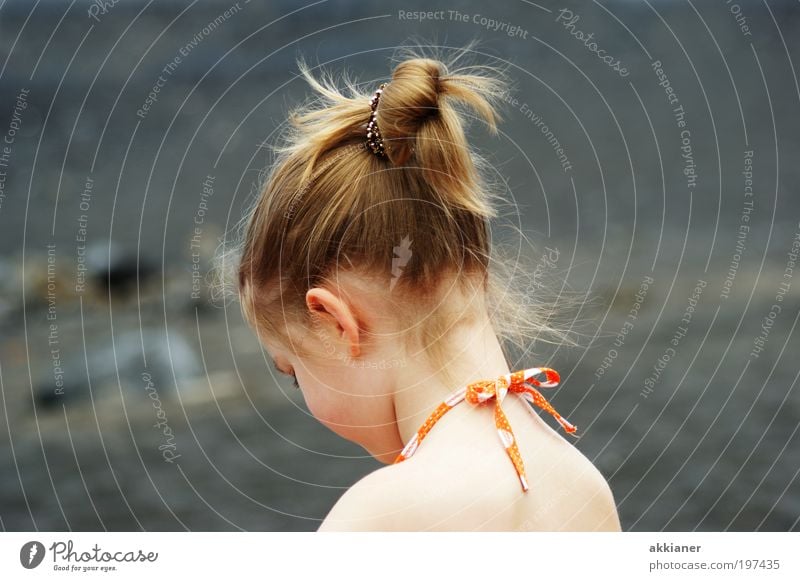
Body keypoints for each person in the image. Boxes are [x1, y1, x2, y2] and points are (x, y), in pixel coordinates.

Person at [225, 45, 621, 531]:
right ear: (476, 270)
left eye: (293, 371)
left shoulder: (380, 516)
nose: (301, 394)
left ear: (335, 323)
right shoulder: (582, 486)